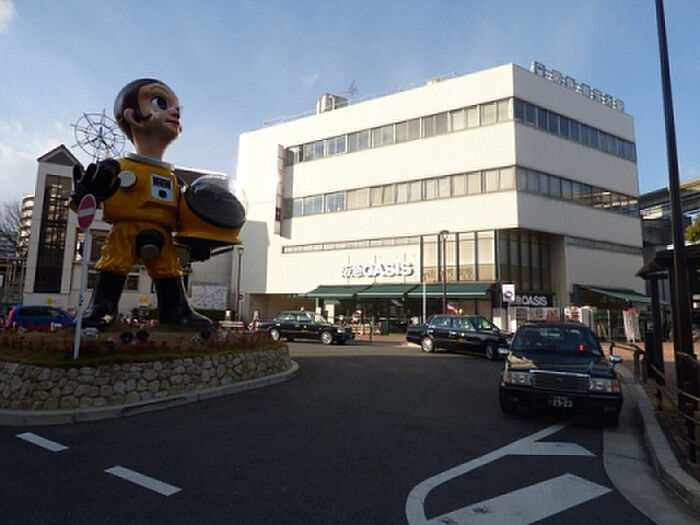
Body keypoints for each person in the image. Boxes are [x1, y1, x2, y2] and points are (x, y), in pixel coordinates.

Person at [71, 79, 244, 331]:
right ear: (132, 116)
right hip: (125, 229)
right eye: (161, 103)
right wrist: (85, 193)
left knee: (169, 269)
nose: (175, 112)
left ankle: (176, 312)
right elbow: (83, 206)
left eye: (177, 108)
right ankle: (101, 308)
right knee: (114, 263)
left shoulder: (174, 180)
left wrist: (200, 241)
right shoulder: (116, 168)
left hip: (162, 234)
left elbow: (188, 216)